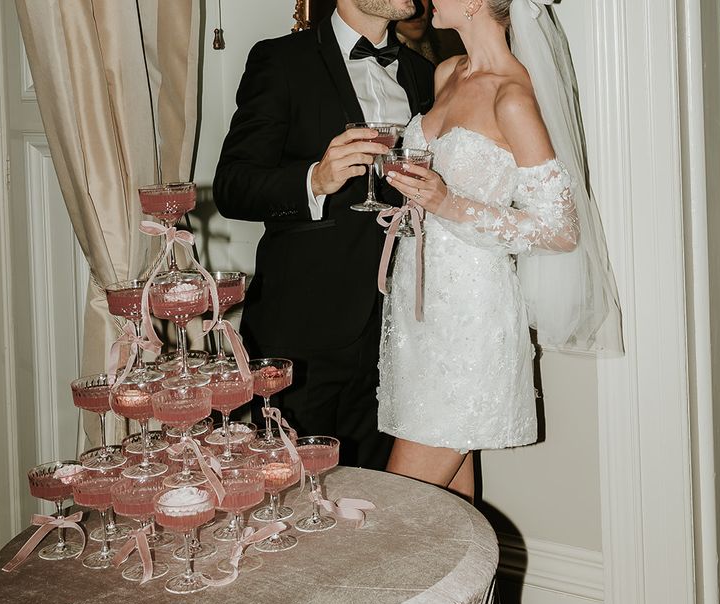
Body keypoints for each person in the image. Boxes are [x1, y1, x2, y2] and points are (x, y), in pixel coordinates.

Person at [379, 0, 622, 500]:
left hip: (470, 318)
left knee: (399, 505)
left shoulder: (513, 96)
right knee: (449, 517)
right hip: (416, 307)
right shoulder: (449, 71)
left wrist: (450, 203)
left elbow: (560, 230)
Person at [213, 0, 435, 469]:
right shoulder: (282, 59)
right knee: (293, 492)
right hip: (303, 329)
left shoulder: (421, 72)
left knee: (379, 497)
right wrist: (314, 179)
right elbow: (233, 186)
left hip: (398, 331)